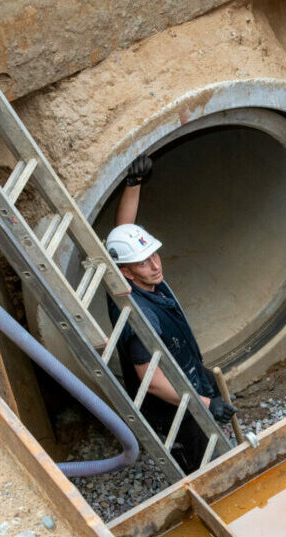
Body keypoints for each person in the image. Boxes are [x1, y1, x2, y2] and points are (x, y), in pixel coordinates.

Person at [104, 155, 237, 473]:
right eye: (144, 263)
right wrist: (206, 405)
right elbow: (151, 382)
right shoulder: (140, 319)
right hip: (174, 403)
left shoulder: (129, 280)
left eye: (154, 255)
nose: (155, 265)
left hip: (189, 371)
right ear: (126, 273)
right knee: (200, 456)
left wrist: (133, 185)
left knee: (211, 389)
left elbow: (124, 232)